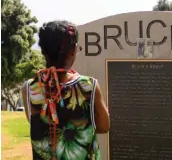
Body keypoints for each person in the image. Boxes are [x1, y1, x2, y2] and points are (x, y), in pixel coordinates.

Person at [20, 21, 110, 160]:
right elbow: (104, 126)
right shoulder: (89, 86)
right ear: (73, 50)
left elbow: (37, 123)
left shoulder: (28, 88)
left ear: (43, 51)